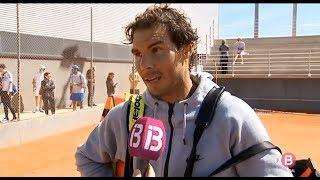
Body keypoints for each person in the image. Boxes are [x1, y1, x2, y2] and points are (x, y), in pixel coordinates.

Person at [75, 5, 293, 177]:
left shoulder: (232, 115)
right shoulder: (128, 114)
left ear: (187, 49)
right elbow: (86, 156)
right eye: (138, 53)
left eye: (156, 50)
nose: (144, 65)